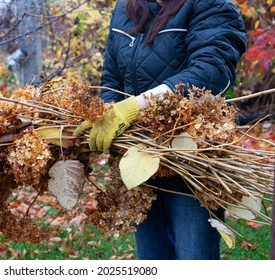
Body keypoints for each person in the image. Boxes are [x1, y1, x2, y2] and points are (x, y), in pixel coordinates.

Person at [75, 0, 247, 260]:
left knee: (194, 259)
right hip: (138, 158)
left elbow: (211, 72)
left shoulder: (211, 5)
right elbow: (111, 78)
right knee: (152, 260)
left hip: (190, 160)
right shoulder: (125, 9)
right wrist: (107, 114)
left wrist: (136, 106)